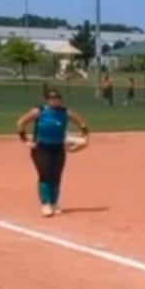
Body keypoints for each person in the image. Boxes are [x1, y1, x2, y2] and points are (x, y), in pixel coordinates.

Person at [16, 89, 90, 219]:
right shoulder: (39, 111)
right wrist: (25, 140)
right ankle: (45, 204)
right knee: (45, 174)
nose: (54, 101)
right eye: (51, 99)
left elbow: (82, 124)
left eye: (57, 98)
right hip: (41, 148)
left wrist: (85, 136)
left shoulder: (65, 112)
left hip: (58, 147)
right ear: (47, 100)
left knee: (56, 176)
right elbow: (21, 123)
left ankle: (54, 203)